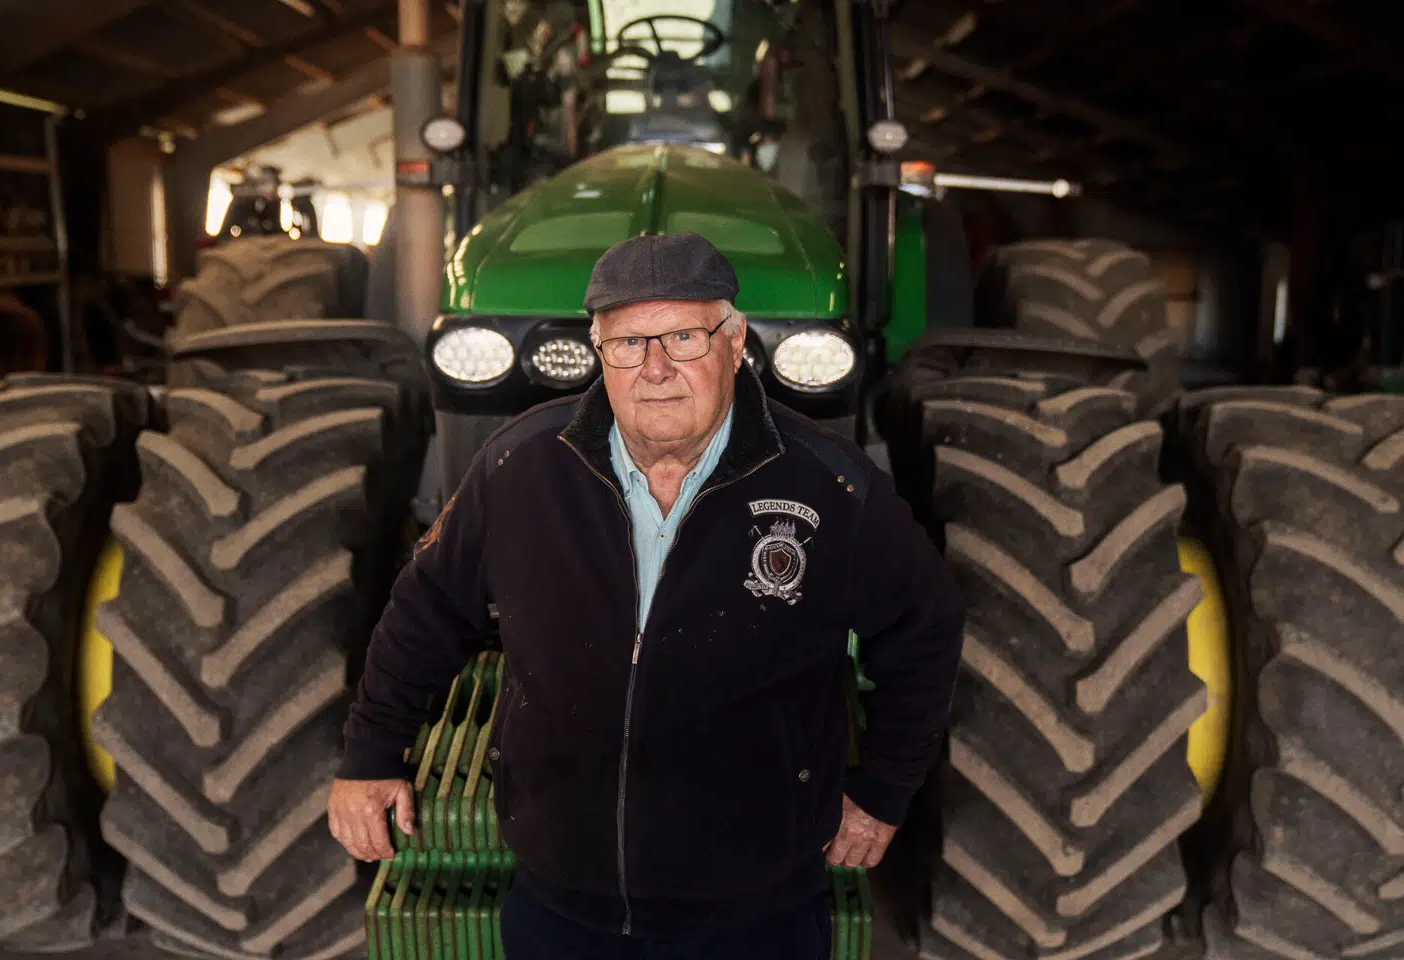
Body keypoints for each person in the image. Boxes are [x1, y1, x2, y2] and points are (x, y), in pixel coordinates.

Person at [328, 232, 966, 958]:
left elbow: (925, 627)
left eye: (684, 337)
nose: (655, 368)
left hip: (759, 914)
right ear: (600, 354)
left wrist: (884, 790)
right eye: (629, 343)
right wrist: (372, 753)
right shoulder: (521, 467)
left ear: (734, 343)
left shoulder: (830, 483)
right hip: (559, 902)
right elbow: (427, 611)